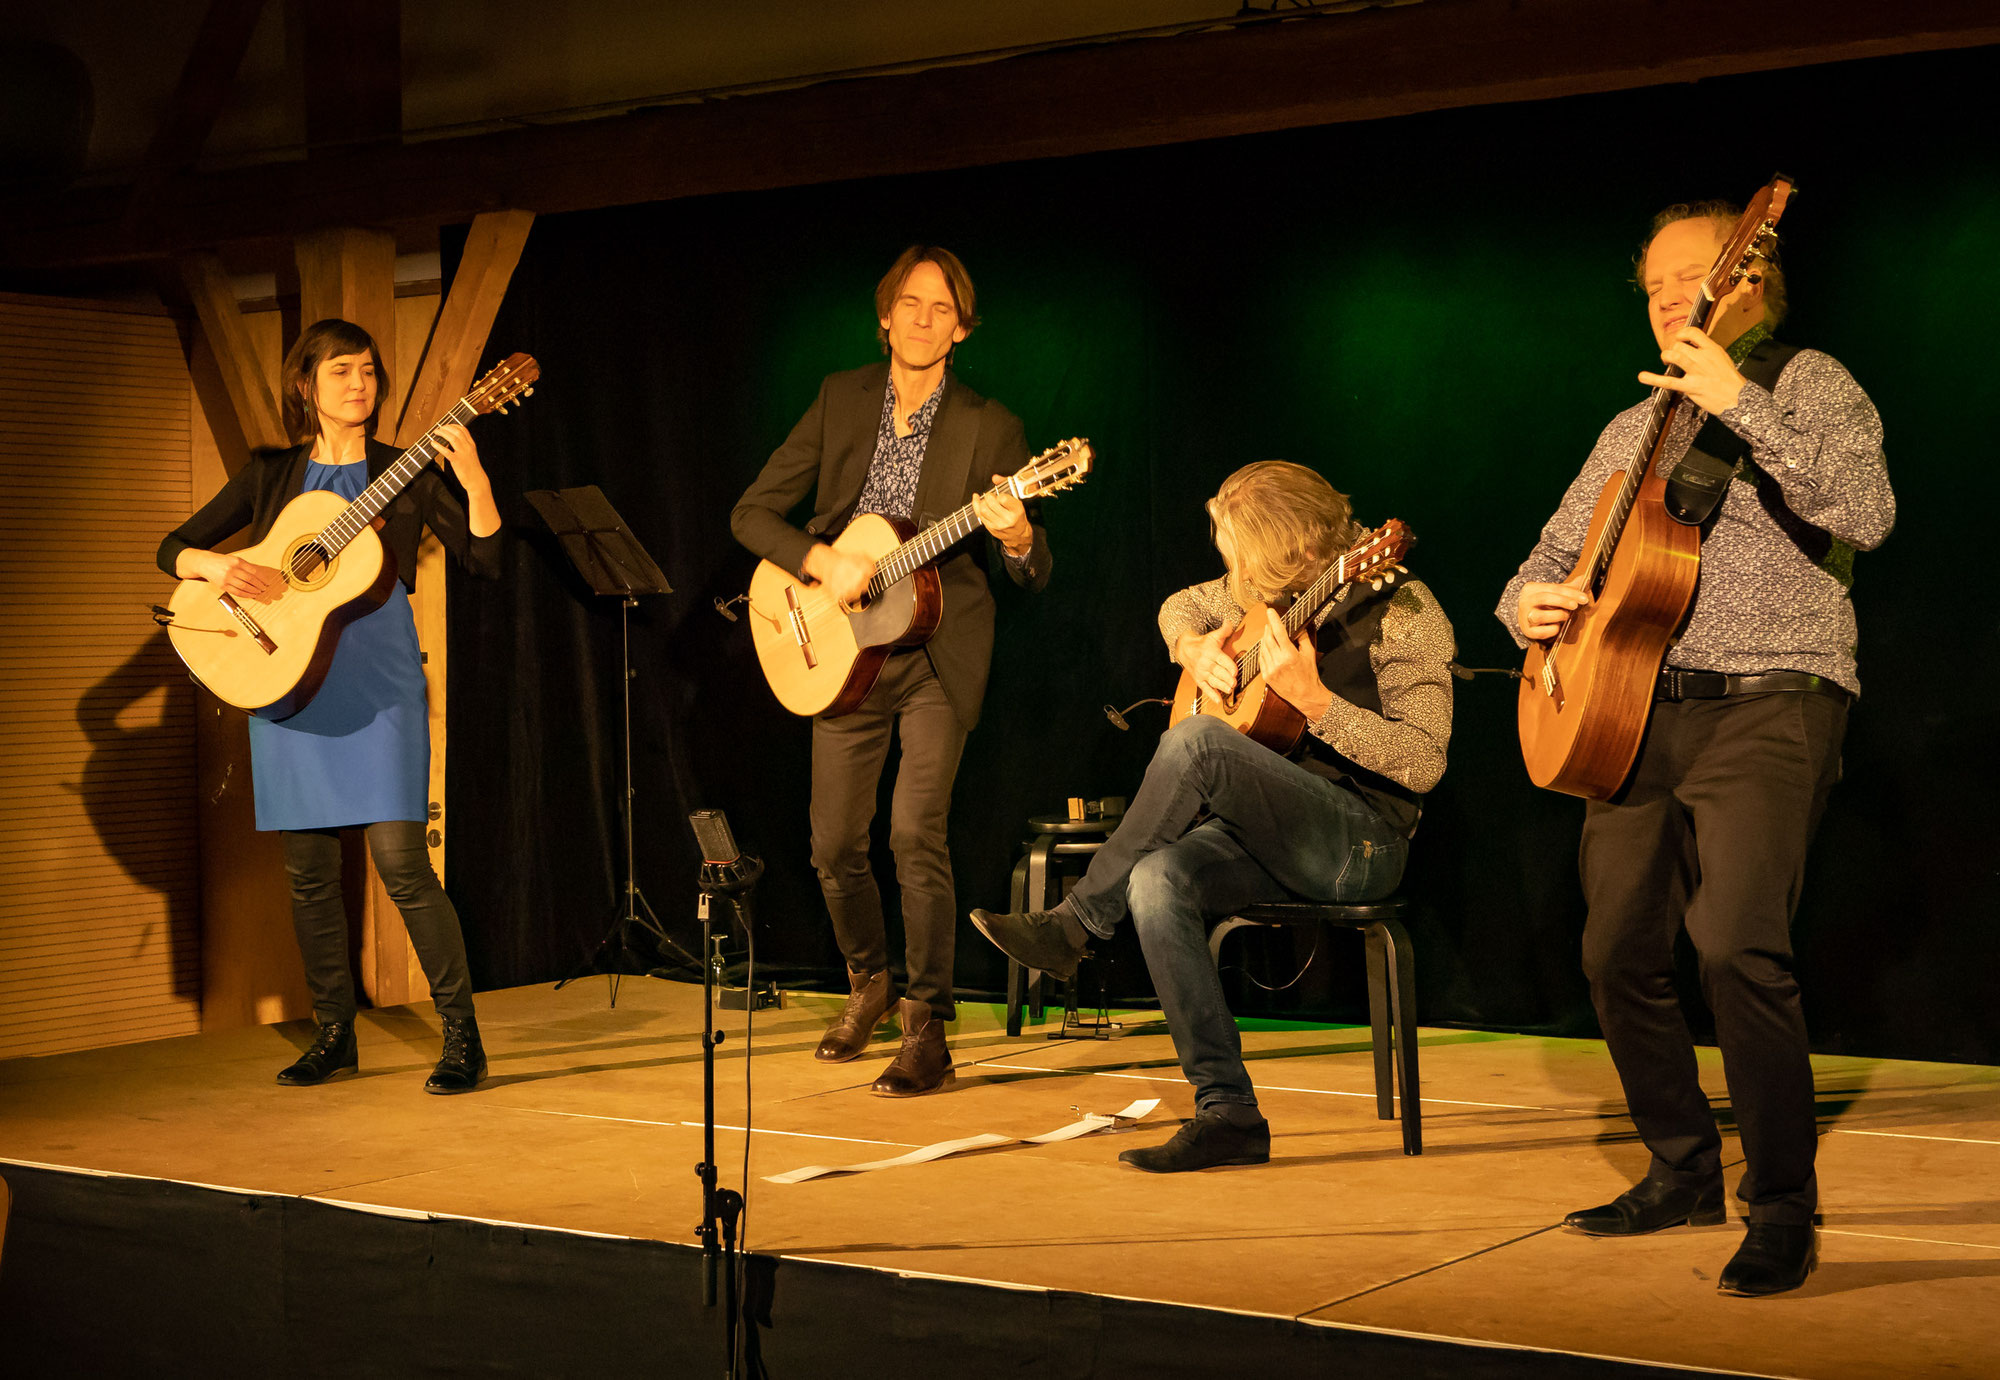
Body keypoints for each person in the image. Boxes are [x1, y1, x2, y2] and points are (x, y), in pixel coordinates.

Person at [1498, 200, 1894, 1296]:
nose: (1671, 296)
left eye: (1694, 275)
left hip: (1772, 700)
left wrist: (1737, 403)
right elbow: (1541, 554)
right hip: (1633, 709)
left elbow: (1865, 511)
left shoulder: (1810, 382)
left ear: (1749, 277)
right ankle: (1678, 1168)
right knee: (1611, 950)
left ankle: (1780, 1205)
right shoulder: (1631, 430)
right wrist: (1525, 603)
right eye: (1655, 286)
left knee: (1730, 945)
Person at [971, 461, 1454, 1168]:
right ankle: (1228, 1111)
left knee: (1198, 740)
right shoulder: (1265, 588)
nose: (1235, 578)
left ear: (1298, 550)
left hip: (1362, 843)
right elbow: (1181, 606)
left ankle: (1074, 925)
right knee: (1155, 878)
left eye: (1243, 560)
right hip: (1266, 834)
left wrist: (1318, 705)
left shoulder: (1408, 612)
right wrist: (1194, 650)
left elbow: (1425, 761)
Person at [731, 246, 1051, 1096]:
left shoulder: (993, 427)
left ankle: (926, 1023)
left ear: (962, 328)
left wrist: (1016, 535)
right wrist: (820, 559)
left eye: (941, 309)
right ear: (885, 316)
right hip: (843, 653)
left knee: (914, 833)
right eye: (910, 303)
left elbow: (1033, 568)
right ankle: (867, 982)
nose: (922, 318)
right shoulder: (842, 399)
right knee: (833, 843)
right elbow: (752, 513)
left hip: (935, 660)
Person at [158, 318, 503, 1093]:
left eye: (371, 372)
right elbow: (171, 548)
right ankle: (335, 1035)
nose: (361, 384)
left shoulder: (403, 472)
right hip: (282, 682)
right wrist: (220, 569)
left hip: (379, 689)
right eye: (343, 371)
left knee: (402, 866)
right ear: (305, 387)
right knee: (309, 875)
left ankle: (462, 1039)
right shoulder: (271, 477)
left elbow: (485, 560)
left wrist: (475, 480)